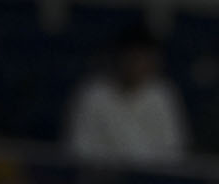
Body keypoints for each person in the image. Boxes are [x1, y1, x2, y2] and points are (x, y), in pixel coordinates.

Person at [65, 25, 189, 166]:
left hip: (151, 183)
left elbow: (173, 153)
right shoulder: (92, 94)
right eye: (133, 58)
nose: (137, 65)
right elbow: (79, 150)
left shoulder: (164, 95)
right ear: (119, 57)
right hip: (100, 180)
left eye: (144, 59)